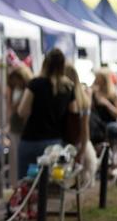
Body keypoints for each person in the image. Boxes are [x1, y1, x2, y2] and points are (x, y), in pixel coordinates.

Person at [17, 49, 74, 182]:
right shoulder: (68, 87)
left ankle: (30, 203)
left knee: (27, 183)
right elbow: (74, 113)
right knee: (52, 185)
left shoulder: (35, 84)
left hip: (30, 140)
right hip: (54, 143)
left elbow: (22, 111)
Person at [65, 64, 96, 185]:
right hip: (79, 141)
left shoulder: (68, 97)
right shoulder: (84, 98)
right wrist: (83, 147)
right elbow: (85, 128)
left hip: (69, 141)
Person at [7, 64, 33, 186]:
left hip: (23, 128)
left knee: (20, 158)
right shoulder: (15, 90)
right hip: (15, 127)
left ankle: (21, 184)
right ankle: (15, 185)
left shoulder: (28, 90)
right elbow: (11, 107)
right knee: (14, 158)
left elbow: (21, 110)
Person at [90, 68, 117, 143]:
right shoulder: (93, 92)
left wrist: (107, 104)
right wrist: (91, 96)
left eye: (99, 79)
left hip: (110, 122)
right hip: (97, 122)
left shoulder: (113, 95)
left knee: (113, 128)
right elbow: (90, 110)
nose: (97, 81)